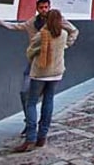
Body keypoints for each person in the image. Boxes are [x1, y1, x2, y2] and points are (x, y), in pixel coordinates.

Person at [0, 0, 78, 135]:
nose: (44, 10)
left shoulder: (57, 20)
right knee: (25, 92)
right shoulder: (32, 23)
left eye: (46, 7)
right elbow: (17, 27)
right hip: (35, 64)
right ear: (37, 8)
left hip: (52, 64)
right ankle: (30, 122)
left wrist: (65, 46)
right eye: (41, 7)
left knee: (43, 98)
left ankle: (35, 132)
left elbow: (74, 31)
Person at [14, 9, 69, 152]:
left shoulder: (41, 35)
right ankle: (42, 136)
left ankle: (30, 138)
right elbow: (67, 41)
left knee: (31, 103)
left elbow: (30, 51)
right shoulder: (63, 34)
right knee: (48, 102)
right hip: (57, 73)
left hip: (40, 73)